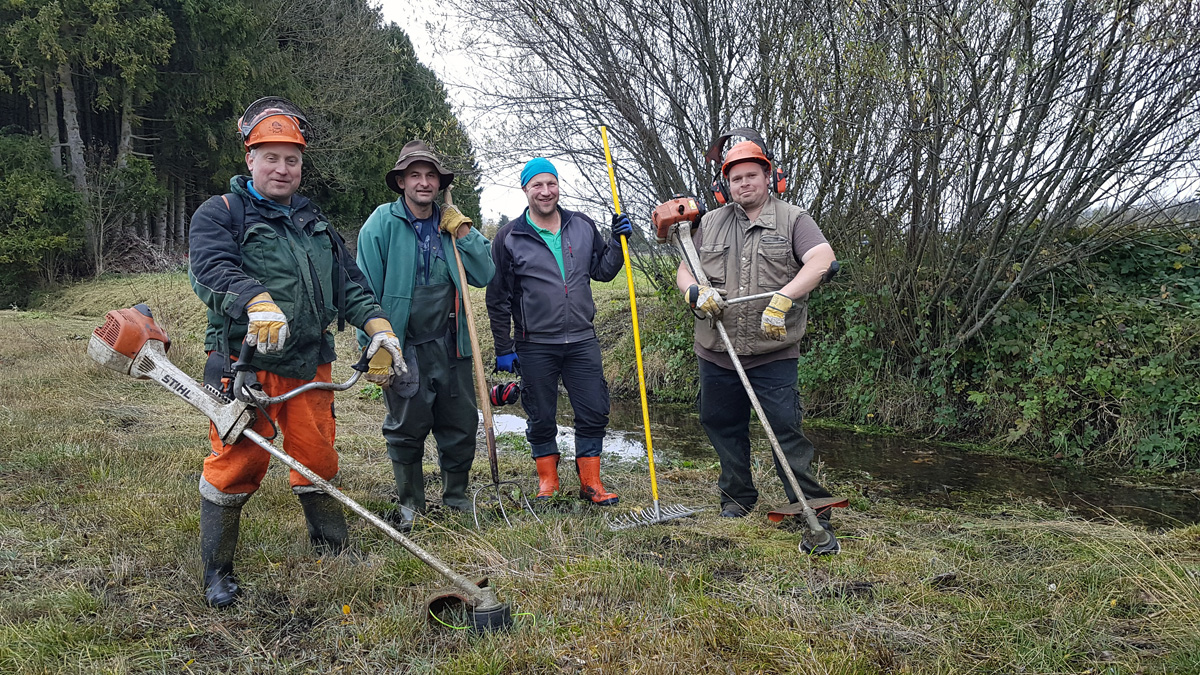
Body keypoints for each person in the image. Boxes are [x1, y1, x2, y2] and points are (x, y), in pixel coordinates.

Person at [188, 97, 405, 607]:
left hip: (312, 363)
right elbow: (210, 269)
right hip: (247, 366)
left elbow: (350, 285)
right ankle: (218, 571)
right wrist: (255, 301)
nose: (282, 168)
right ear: (250, 158)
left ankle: (329, 545)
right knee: (236, 464)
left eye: (292, 159)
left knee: (317, 456)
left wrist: (379, 329)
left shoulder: (316, 222)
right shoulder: (220, 213)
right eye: (272, 157)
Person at [675, 137, 841, 554]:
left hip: (773, 351)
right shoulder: (709, 222)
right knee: (721, 424)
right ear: (725, 185)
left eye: (752, 175)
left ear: (769, 177)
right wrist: (696, 292)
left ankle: (809, 505)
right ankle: (736, 498)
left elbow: (821, 260)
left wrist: (784, 298)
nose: (744, 184)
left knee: (784, 427)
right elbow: (683, 270)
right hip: (717, 348)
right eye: (736, 178)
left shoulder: (794, 220)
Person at [355, 140, 495, 532]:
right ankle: (411, 504)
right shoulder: (380, 224)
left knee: (460, 424)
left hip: (452, 344)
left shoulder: (453, 225)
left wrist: (465, 232)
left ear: (439, 182)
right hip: (402, 346)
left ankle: (456, 497)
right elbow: (361, 290)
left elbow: (486, 274)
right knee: (406, 427)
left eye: (430, 175)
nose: (423, 182)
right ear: (401, 181)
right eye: (414, 175)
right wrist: (372, 347)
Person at [486, 158, 632, 505]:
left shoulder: (581, 225)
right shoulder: (509, 238)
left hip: (582, 338)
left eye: (551, 184)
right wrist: (504, 347)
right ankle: (547, 482)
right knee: (540, 413)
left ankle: (591, 483)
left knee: (594, 409)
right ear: (525, 190)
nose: (546, 191)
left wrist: (618, 243)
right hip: (535, 343)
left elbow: (602, 271)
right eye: (537, 185)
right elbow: (498, 298)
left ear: (558, 186)